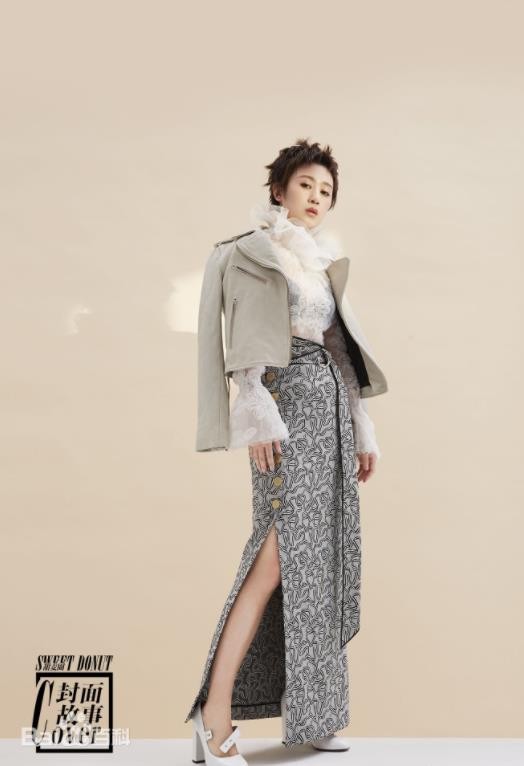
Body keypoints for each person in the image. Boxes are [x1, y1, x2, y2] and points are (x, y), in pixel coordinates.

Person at [185, 138, 388, 764]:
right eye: (306, 185)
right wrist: (257, 412)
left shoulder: (322, 264)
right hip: (284, 407)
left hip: (329, 412)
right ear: (278, 189)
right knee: (273, 558)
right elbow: (246, 340)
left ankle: (313, 711)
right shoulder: (251, 252)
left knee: (320, 561)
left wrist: (361, 427)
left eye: (326, 191)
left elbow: (339, 351)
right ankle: (212, 712)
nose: (317, 198)